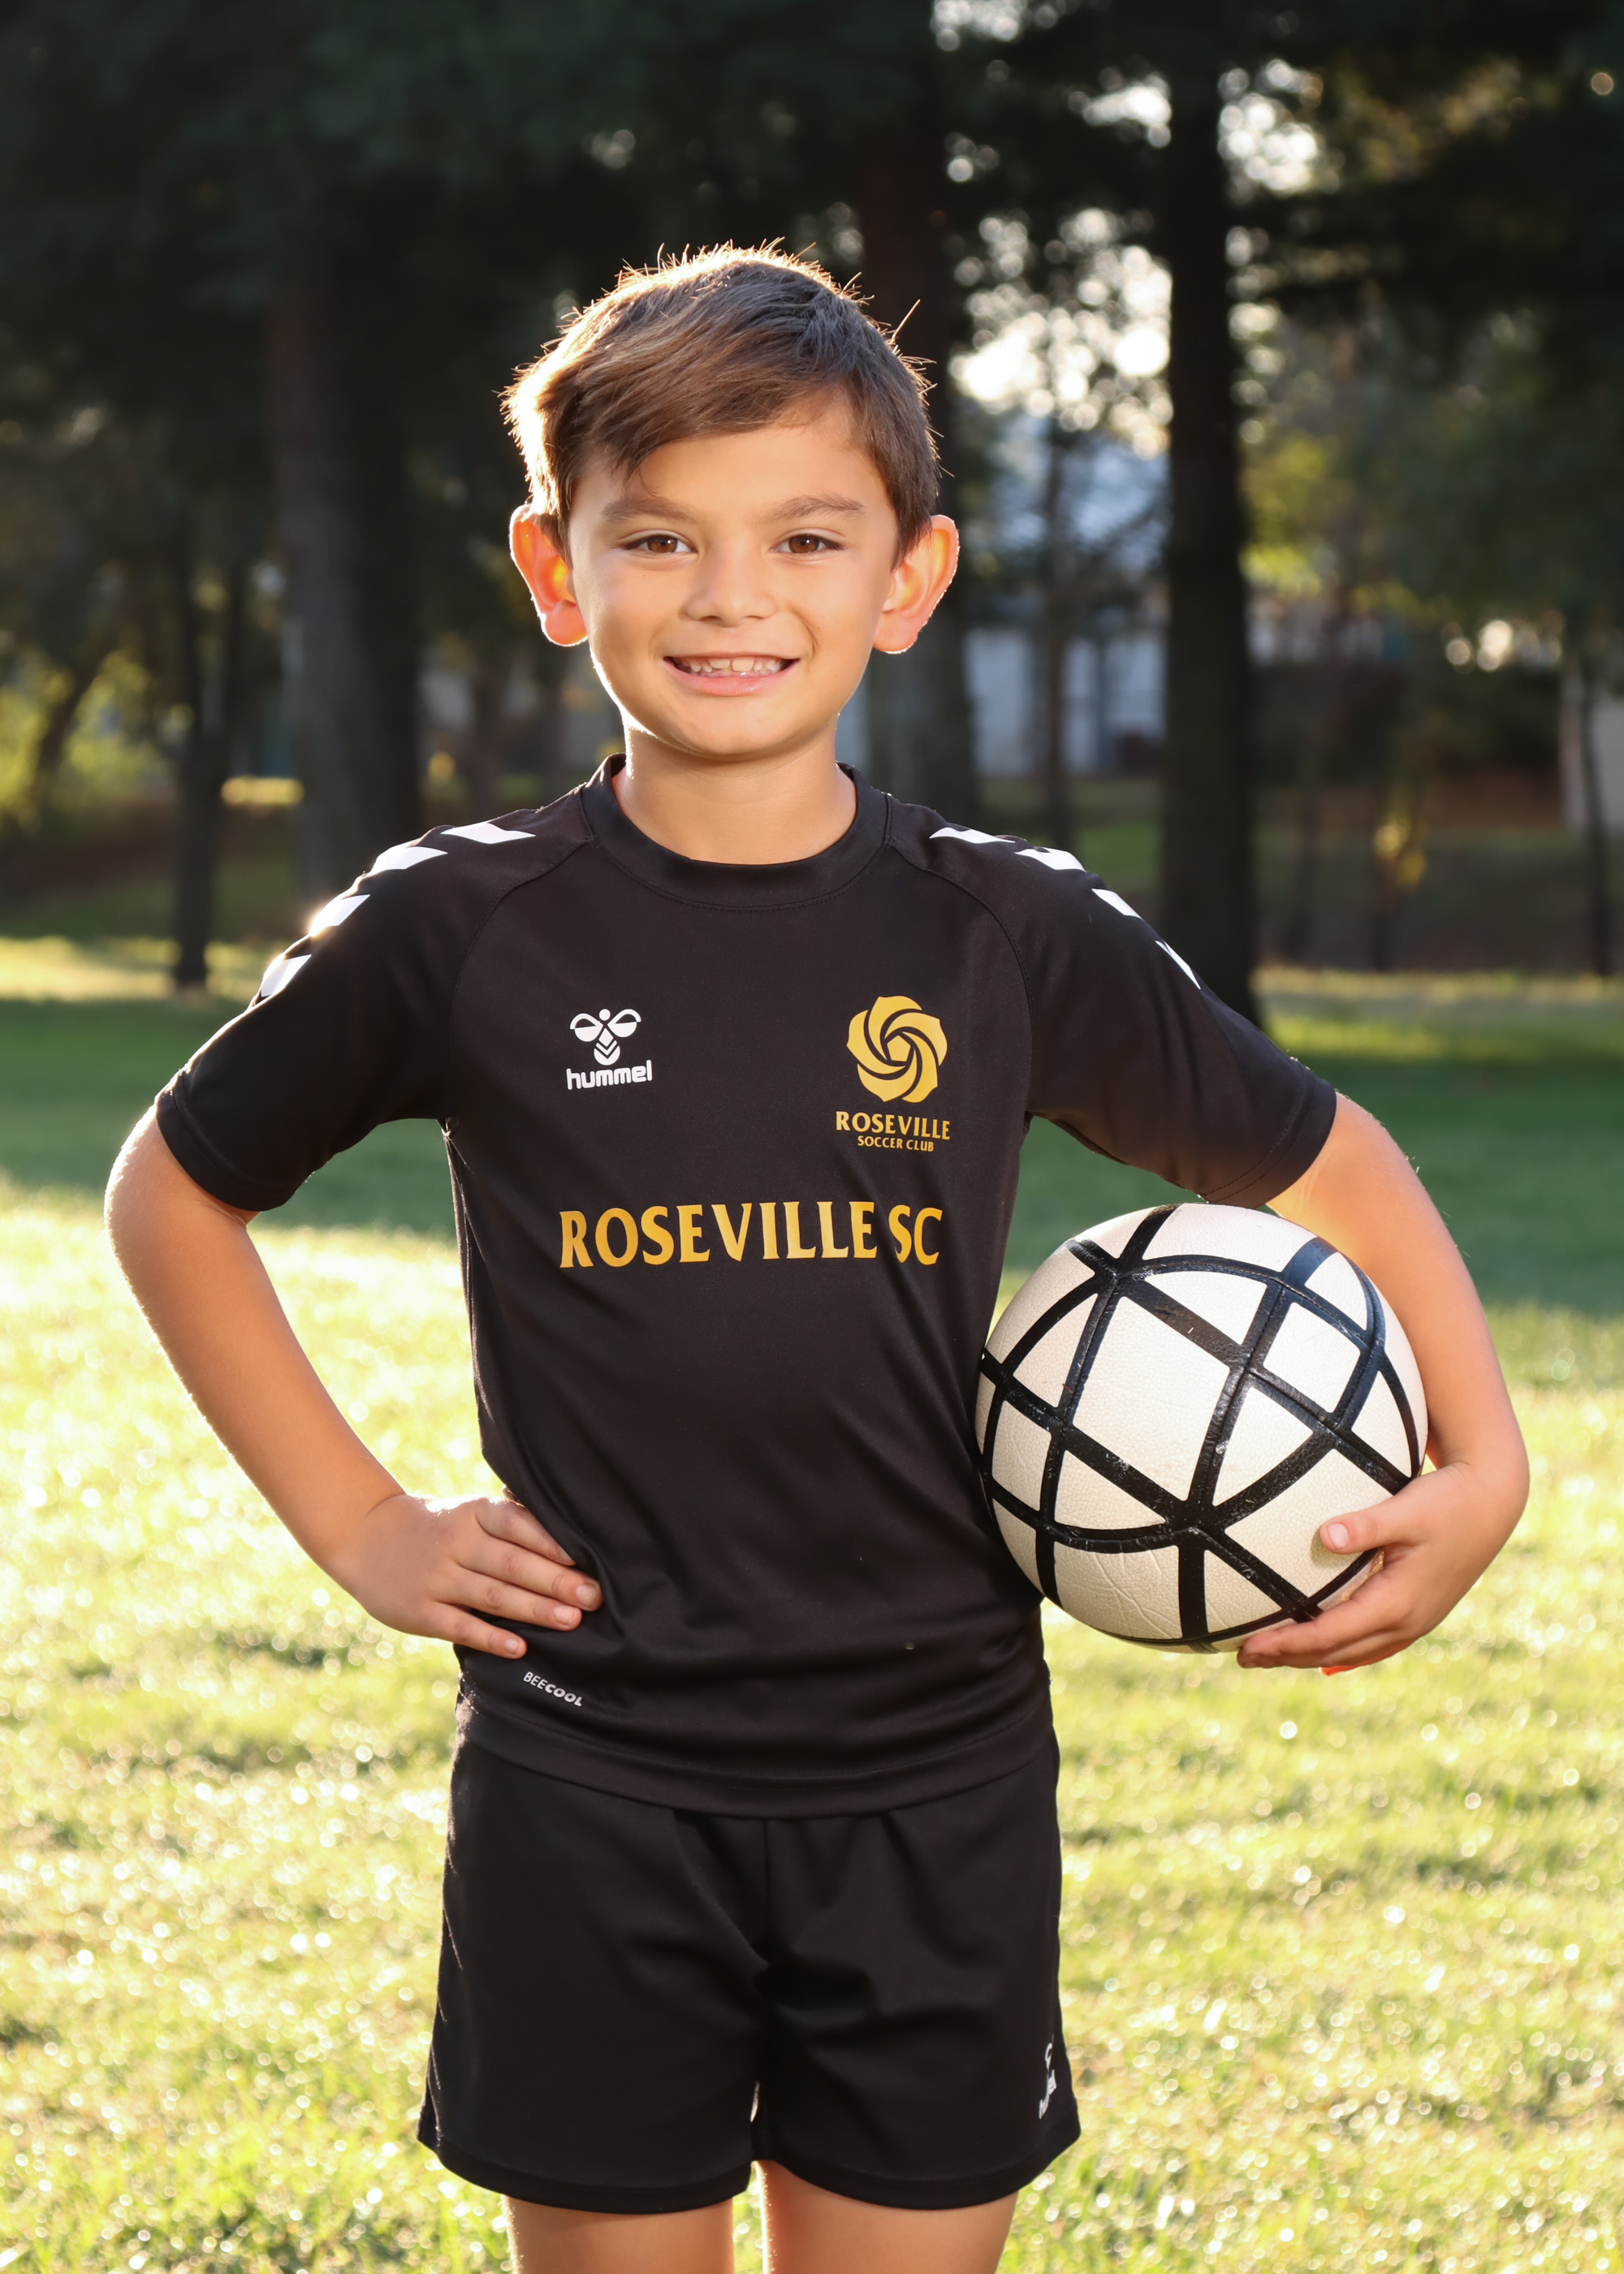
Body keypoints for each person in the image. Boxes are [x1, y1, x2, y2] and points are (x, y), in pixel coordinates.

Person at [106, 247, 1527, 2274]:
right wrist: (362, 1526)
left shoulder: (1003, 930)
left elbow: (1337, 1159)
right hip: (594, 1768)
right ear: (553, 567)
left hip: (934, 1773)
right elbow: (172, 1192)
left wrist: (1485, 1461)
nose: (729, 595)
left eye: (803, 537)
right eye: (658, 536)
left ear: (907, 579)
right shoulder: (462, 924)